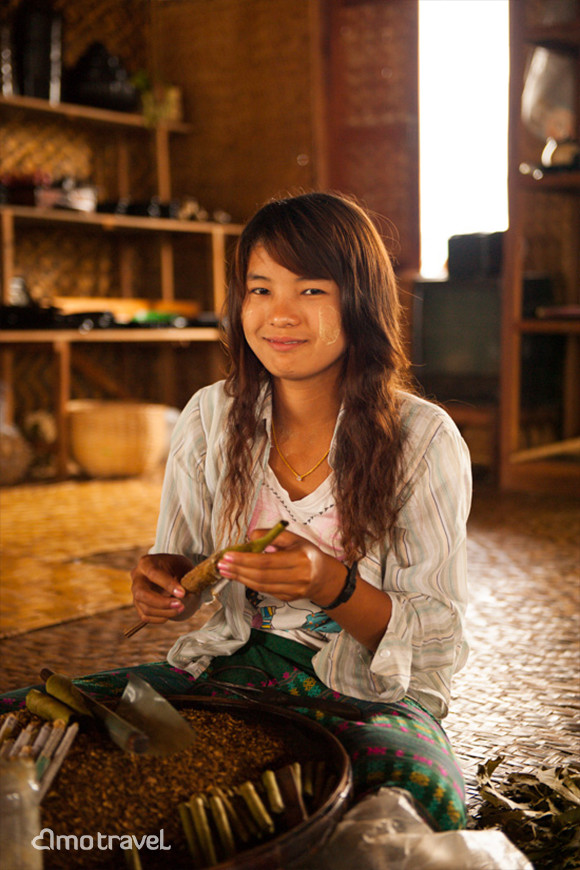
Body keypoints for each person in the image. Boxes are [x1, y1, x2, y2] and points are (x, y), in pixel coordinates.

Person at [2, 192, 472, 831]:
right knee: (21, 718)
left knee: (418, 792)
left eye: (310, 291)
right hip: (232, 672)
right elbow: (189, 571)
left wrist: (330, 583)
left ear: (359, 302)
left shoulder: (422, 439)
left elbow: (436, 634)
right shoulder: (210, 419)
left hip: (367, 690)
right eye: (259, 289)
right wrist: (170, 582)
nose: (279, 316)